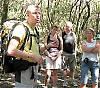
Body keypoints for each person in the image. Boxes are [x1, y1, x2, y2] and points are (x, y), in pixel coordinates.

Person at [7, 5, 58, 88]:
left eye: (39, 13)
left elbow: (36, 51)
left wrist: (47, 46)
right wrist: (32, 56)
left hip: (33, 70)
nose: (37, 15)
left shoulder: (34, 30)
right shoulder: (21, 29)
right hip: (23, 70)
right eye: (34, 13)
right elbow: (10, 51)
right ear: (28, 15)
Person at [61, 21, 78, 87]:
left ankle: (72, 80)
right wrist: (61, 51)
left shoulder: (73, 34)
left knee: (72, 68)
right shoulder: (62, 34)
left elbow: (75, 43)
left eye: (68, 27)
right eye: (66, 26)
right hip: (64, 53)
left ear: (71, 27)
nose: (67, 28)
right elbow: (60, 42)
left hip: (72, 53)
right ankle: (65, 80)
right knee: (64, 68)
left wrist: (75, 52)